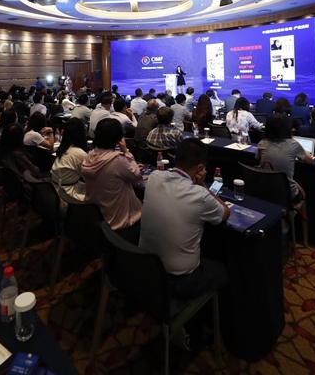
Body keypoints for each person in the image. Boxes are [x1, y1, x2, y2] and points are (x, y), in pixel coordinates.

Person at [138, 138, 229, 340]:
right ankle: (192, 324)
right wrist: (203, 185)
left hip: (146, 267)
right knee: (223, 270)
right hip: (180, 280)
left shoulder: (154, 177)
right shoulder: (200, 195)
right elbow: (225, 213)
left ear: (175, 159)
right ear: (200, 168)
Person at [81, 118, 143, 242]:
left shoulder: (89, 155)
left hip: (97, 216)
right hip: (117, 220)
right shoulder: (117, 160)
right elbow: (136, 175)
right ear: (118, 139)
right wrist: (126, 152)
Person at [256, 114, 314, 203]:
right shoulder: (293, 144)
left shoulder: (262, 143)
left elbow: (261, 162)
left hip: (266, 190)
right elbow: (309, 160)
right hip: (288, 194)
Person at [51, 118, 89, 200]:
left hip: (54, 191)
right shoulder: (79, 153)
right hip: (67, 195)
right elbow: (89, 178)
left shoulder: (62, 149)